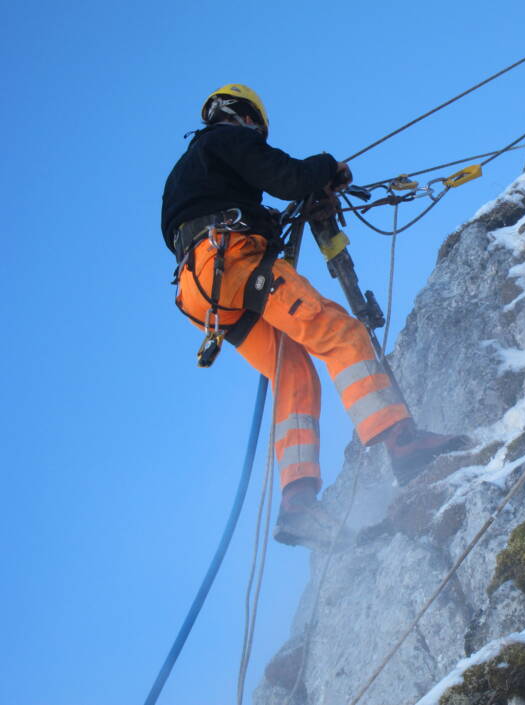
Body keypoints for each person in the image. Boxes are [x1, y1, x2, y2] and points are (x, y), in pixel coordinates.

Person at [161, 84, 465, 547]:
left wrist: (271, 219)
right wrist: (325, 167)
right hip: (232, 259)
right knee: (340, 333)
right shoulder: (227, 138)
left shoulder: (189, 172)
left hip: (201, 293)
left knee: (293, 373)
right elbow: (287, 178)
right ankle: (401, 441)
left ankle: (298, 501)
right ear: (247, 118)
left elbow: (213, 212)